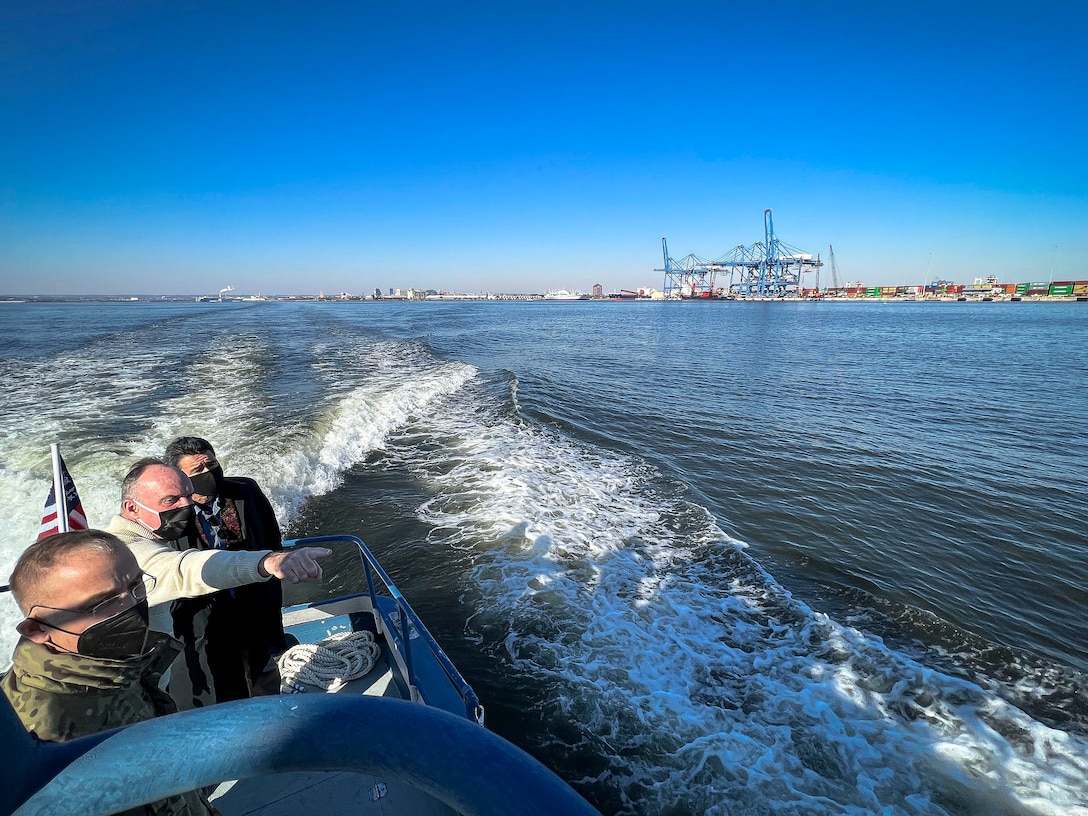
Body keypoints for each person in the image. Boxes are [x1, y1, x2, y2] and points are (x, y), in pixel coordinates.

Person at [2, 529, 214, 816]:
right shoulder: (41, 732)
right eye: (104, 603)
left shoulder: (113, 668)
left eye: (137, 586)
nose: (131, 606)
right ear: (37, 629)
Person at [105, 458, 330, 706]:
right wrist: (268, 563)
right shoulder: (127, 554)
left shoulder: (154, 532)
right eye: (171, 500)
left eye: (188, 496)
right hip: (134, 693)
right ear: (132, 508)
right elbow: (187, 568)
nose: (186, 506)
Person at [162, 437, 287, 706]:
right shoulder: (168, 513)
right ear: (180, 478)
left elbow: (271, 539)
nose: (207, 473)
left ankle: (269, 723)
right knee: (215, 682)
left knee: (262, 675)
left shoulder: (245, 491)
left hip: (252, 603)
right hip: (205, 612)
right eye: (197, 470)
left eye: (212, 464)